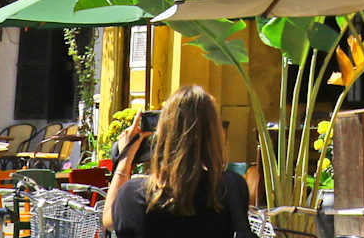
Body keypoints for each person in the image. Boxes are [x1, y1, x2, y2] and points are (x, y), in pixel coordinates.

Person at [105, 86, 254, 238]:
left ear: (163, 135)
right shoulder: (231, 188)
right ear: (215, 135)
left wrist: (125, 158)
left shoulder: (134, 195)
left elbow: (108, 220)